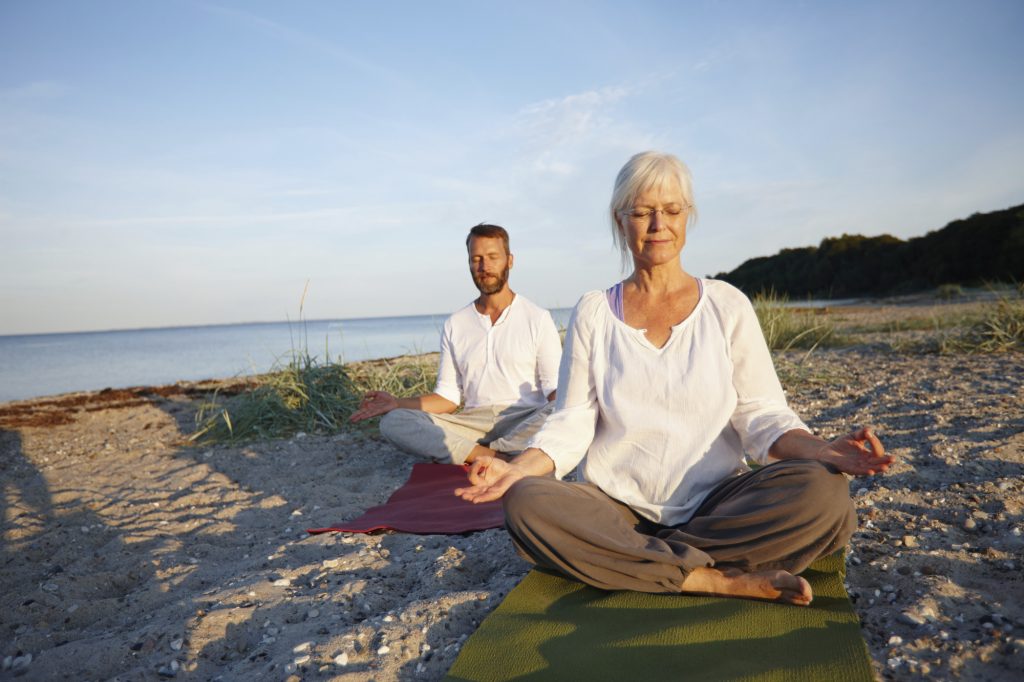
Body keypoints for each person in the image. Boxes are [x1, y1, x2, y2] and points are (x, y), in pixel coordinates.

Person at [456, 152, 893, 605]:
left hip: (717, 504)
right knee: (527, 503)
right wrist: (518, 468)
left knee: (824, 492)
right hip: (617, 508)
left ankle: (641, 564)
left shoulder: (727, 305)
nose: (657, 224)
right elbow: (572, 420)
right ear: (620, 221)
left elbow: (762, 415)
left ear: (688, 217)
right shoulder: (593, 312)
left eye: (671, 210)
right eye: (642, 212)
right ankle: (712, 578)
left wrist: (822, 450)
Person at [350, 223, 562, 465]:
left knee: (564, 408)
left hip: (524, 419)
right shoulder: (456, 323)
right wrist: (397, 403)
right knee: (394, 421)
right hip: (472, 423)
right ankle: (496, 457)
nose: (485, 267)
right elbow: (448, 398)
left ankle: (483, 452)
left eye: (493, 257)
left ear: (510, 261)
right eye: (477, 259)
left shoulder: (537, 318)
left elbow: (554, 390)